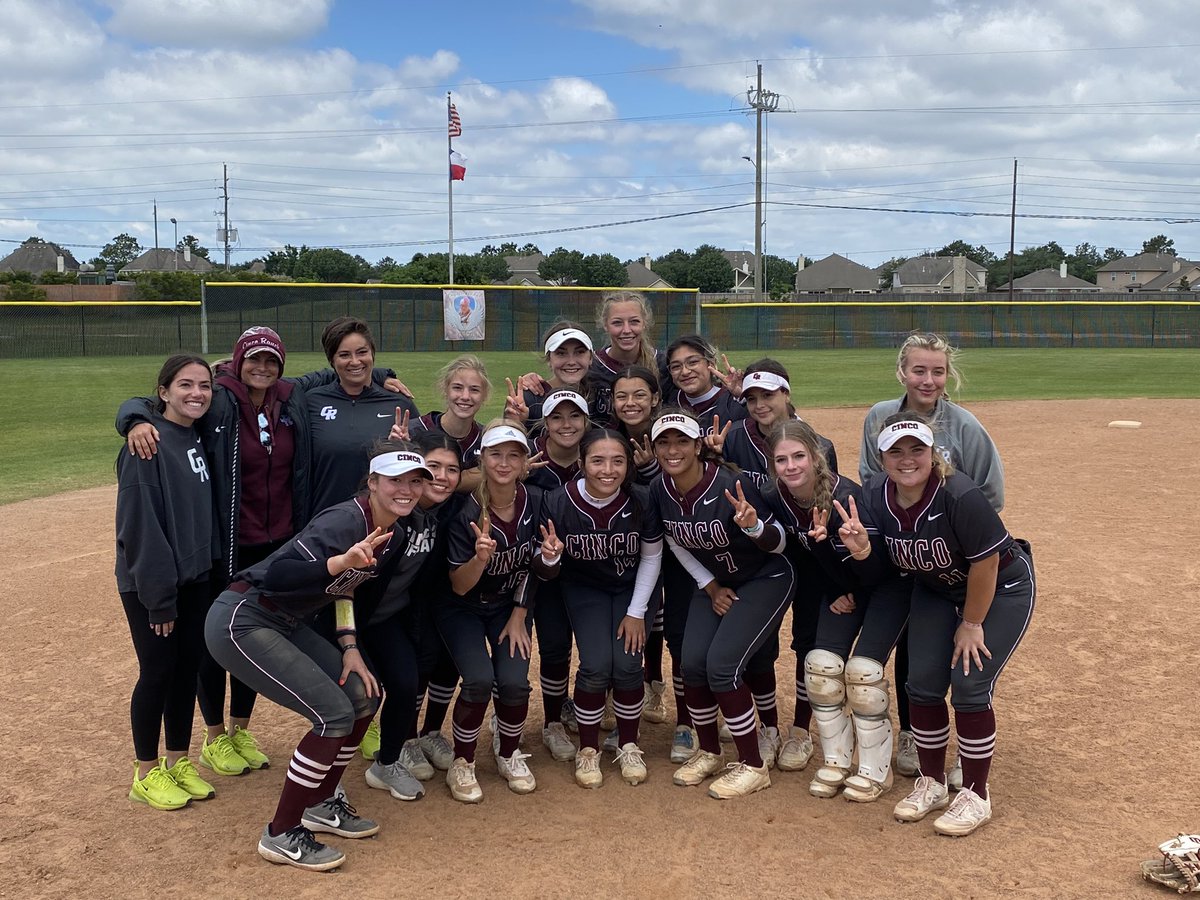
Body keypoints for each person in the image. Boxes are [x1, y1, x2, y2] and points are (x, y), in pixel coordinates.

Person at [205, 443, 433, 871]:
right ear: (373, 483)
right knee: (333, 714)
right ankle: (281, 832)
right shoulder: (345, 519)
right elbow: (278, 575)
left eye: (415, 481)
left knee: (364, 696)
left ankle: (321, 802)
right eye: (395, 481)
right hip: (242, 619)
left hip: (283, 622)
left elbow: (347, 587)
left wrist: (350, 647)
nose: (406, 489)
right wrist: (338, 561)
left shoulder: (395, 532)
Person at [118, 327, 307, 777]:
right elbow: (151, 406)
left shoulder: (291, 399)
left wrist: (383, 371)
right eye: (253, 360)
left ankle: (234, 732)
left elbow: (339, 372)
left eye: (271, 361)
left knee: (248, 640)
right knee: (189, 659)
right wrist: (134, 418)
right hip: (226, 548)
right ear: (237, 363)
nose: (262, 369)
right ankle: (210, 737)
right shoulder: (217, 403)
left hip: (268, 545)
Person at [841, 415, 1034, 836]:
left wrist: (972, 623)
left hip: (999, 588)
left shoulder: (958, 494)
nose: (907, 459)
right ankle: (931, 782)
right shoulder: (874, 493)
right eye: (896, 451)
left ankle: (977, 795)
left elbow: (985, 563)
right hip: (935, 589)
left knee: (968, 682)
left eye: (917, 449)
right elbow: (881, 568)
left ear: (933, 453)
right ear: (881, 457)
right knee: (922, 683)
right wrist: (861, 551)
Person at [859, 332, 1006, 787]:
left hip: (953, 557)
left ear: (948, 375)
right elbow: (871, 480)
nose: (928, 380)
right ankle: (914, 734)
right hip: (902, 554)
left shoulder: (964, 427)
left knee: (966, 657)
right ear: (902, 371)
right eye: (919, 370)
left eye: (937, 371)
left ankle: (964, 746)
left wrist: (944, 530)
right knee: (915, 650)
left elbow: (989, 495)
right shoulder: (879, 417)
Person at [647, 410, 795, 799]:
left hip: (766, 577)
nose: (672, 449)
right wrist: (710, 586)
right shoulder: (660, 489)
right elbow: (674, 539)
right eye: (664, 442)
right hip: (718, 583)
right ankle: (710, 751)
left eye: (682, 441)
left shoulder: (733, 483)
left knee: (722, 666)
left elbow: (780, 542)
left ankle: (753, 764)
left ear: (699, 445)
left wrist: (753, 526)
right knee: (691, 662)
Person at [763, 420, 909, 801]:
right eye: (781, 459)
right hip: (844, 587)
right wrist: (839, 588)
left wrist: (854, 571)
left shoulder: (847, 499)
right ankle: (836, 759)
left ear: (816, 457)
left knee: (863, 673)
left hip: (885, 587)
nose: (791, 466)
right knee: (821, 667)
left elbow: (879, 569)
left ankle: (877, 768)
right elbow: (812, 557)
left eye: (799, 456)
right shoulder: (777, 495)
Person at [118, 354, 219, 811]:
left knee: (186, 669)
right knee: (157, 671)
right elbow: (141, 527)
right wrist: (159, 600)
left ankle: (177, 760)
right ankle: (145, 770)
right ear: (163, 392)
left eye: (204, 385)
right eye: (185, 385)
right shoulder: (146, 445)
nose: (196, 393)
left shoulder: (192, 434)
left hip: (195, 576)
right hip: (154, 583)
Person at [535, 428, 664, 788]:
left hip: (634, 589)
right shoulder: (558, 501)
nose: (608, 470)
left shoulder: (641, 499)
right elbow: (545, 567)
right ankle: (588, 750)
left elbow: (652, 559)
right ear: (581, 463)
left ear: (628, 466)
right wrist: (549, 558)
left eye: (618, 461)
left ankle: (628, 743)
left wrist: (638, 612)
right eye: (597, 460)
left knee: (626, 664)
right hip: (584, 588)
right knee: (595, 665)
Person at [439, 420, 547, 802]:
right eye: (495, 454)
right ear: (481, 459)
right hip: (463, 607)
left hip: (508, 606)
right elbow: (459, 584)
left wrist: (520, 613)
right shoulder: (463, 511)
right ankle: (462, 760)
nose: (504, 462)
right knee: (479, 680)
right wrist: (480, 559)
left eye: (513, 455)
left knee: (515, 681)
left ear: (524, 463)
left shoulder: (536, 500)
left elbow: (536, 566)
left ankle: (508, 752)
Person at [304, 316, 420, 521]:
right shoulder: (312, 402)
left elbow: (420, 469)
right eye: (344, 355)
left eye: (362, 352)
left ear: (373, 354)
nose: (355, 361)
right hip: (324, 523)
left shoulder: (400, 405)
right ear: (332, 360)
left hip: (383, 525)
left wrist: (403, 449)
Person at [609, 365, 670, 725]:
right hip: (629, 540)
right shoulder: (609, 434)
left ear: (655, 399)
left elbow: (672, 494)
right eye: (622, 396)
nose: (630, 403)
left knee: (658, 616)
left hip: (673, 540)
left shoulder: (669, 434)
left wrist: (649, 471)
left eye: (640, 395)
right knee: (629, 609)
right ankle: (616, 687)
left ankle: (655, 684)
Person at [588, 291, 669, 421]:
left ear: (644, 323)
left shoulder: (664, 364)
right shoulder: (592, 365)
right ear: (605, 325)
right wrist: (542, 383)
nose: (626, 330)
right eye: (617, 323)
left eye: (634, 322)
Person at [514, 321, 597, 422]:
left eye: (579, 352)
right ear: (549, 359)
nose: (571, 362)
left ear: (591, 358)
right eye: (561, 353)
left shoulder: (596, 396)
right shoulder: (530, 398)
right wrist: (515, 422)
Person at [663, 334, 747, 433]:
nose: (685, 372)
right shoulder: (669, 403)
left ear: (711, 363)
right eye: (676, 366)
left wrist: (745, 397)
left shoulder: (733, 402)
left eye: (693, 362)